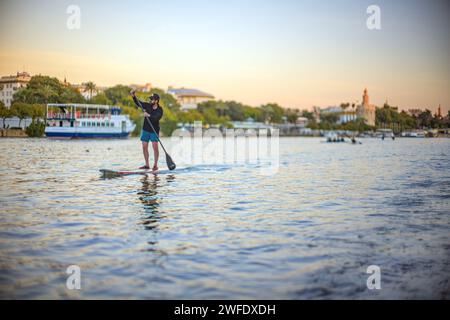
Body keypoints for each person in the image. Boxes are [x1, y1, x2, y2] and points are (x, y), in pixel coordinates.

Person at [130, 90, 163, 171]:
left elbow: (156, 118)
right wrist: (134, 96)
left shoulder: (160, 109)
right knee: (144, 146)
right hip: (146, 129)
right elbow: (139, 103)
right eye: (150, 99)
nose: (150, 100)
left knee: (155, 147)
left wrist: (148, 115)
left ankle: (155, 165)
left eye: (152, 99)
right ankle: (147, 165)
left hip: (154, 130)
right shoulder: (147, 105)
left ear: (156, 101)